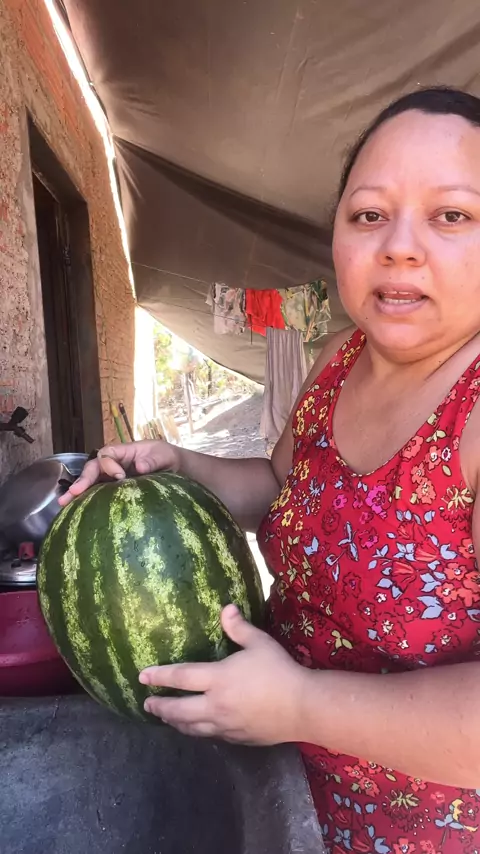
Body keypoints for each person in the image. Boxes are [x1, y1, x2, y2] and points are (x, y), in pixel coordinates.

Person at [61, 87, 480, 853]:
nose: (400, 246)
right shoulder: (337, 361)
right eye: (368, 214)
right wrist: (184, 466)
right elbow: (286, 489)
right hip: (280, 794)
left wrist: (300, 705)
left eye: (452, 214)